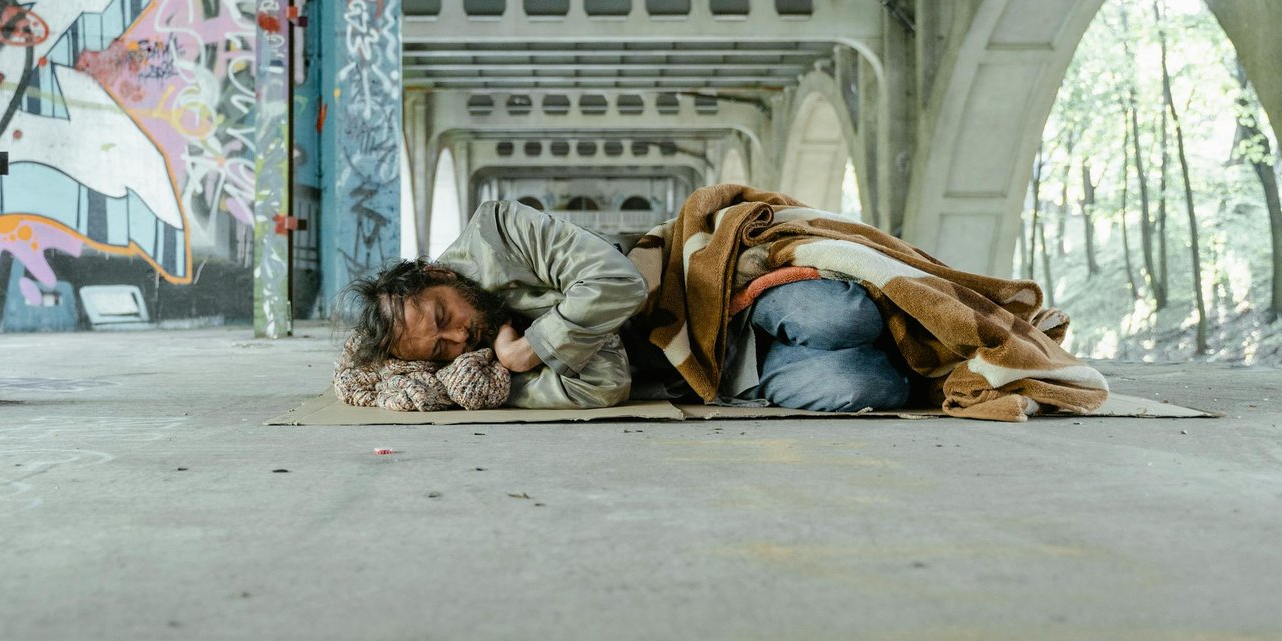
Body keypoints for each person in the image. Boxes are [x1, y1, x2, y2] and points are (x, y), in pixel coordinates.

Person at [338, 197, 913, 412]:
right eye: (439, 349)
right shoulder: (482, 379)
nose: (459, 339)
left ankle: (909, 326)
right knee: (869, 385)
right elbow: (605, 386)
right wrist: (512, 371)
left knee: (846, 316)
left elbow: (618, 284)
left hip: (709, 302)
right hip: (711, 373)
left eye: (444, 318)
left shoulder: (501, 232)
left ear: (438, 274)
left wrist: (537, 345)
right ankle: (916, 354)